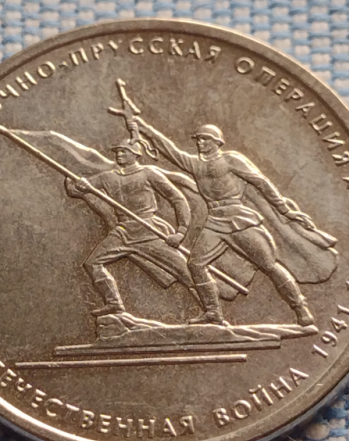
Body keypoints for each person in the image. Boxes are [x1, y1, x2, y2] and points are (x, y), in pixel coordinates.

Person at [126, 119, 315, 327]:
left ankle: (301, 309)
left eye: (205, 139)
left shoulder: (231, 159)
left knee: (269, 265)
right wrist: (143, 128)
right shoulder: (195, 164)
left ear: (217, 142)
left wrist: (285, 210)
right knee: (195, 264)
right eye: (198, 139)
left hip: (239, 219)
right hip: (215, 223)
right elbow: (170, 150)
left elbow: (261, 182)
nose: (200, 143)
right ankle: (213, 313)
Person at [65, 139, 195, 317]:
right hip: (124, 231)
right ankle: (114, 303)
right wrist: (76, 183)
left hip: (148, 229)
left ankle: (213, 312)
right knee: (92, 263)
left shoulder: (148, 173)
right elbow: (74, 190)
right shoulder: (107, 177)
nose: (119, 154)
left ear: (135, 154)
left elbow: (177, 198)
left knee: (186, 273)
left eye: (124, 151)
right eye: (117, 151)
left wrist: (181, 231)